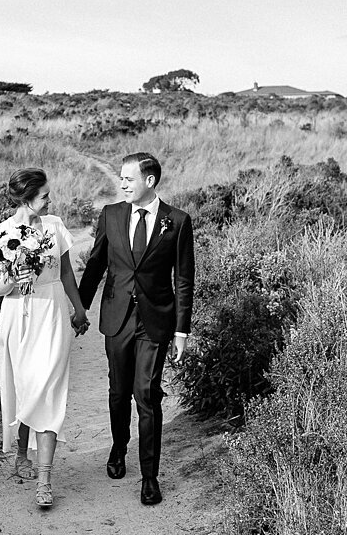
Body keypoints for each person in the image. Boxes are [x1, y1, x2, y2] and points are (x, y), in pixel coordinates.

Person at [77, 152, 194, 506]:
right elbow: (95, 264)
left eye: (128, 179)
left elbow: (184, 279)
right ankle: (118, 447)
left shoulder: (177, 221)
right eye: (121, 179)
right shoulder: (111, 215)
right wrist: (79, 306)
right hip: (117, 317)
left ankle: (149, 476)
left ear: (149, 181)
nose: (122, 184)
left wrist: (181, 331)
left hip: (155, 320)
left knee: (147, 394)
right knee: (118, 391)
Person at [0, 168, 90, 508]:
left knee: (49, 387)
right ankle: (21, 457)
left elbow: (67, 274)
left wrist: (79, 309)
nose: (49, 200)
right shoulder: (1, 234)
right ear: (26, 199)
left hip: (52, 312)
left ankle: (45, 480)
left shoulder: (56, 227)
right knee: (26, 385)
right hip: (18, 315)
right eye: (44, 195)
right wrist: (15, 275)